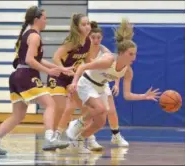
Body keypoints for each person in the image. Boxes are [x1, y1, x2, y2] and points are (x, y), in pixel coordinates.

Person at [0, 6, 71, 155]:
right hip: (26, 75)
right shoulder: (34, 36)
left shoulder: (28, 34)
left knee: (18, 115)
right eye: (45, 18)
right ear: (37, 20)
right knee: (50, 103)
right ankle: (49, 138)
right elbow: (30, 60)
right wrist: (49, 71)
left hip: (17, 75)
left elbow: (38, 59)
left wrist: (61, 69)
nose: (46, 21)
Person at [65, 18, 161, 153]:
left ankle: (78, 141)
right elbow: (82, 67)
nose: (134, 57)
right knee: (100, 108)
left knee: (100, 122)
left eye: (135, 54)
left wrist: (144, 96)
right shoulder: (108, 60)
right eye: (131, 54)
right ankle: (77, 123)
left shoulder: (128, 71)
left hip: (101, 86)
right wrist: (74, 82)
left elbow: (127, 95)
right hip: (86, 82)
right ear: (121, 53)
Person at [51, 21, 129, 152]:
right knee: (72, 108)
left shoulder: (105, 51)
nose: (96, 40)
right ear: (88, 37)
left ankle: (105, 137)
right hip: (82, 79)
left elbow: (117, 68)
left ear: (102, 38)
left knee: (106, 111)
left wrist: (116, 83)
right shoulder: (83, 47)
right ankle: (56, 136)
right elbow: (82, 65)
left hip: (100, 82)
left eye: (98, 37)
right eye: (93, 37)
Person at [44, 13, 92, 149]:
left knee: (86, 109)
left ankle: (82, 137)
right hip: (58, 77)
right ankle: (52, 137)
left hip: (72, 78)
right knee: (60, 107)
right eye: (84, 24)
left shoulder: (87, 42)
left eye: (88, 23)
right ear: (77, 27)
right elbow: (56, 57)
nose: (87, 27)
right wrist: (63, 69)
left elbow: (87, 61)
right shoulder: (72, 42)